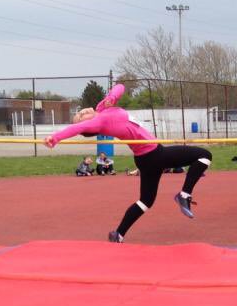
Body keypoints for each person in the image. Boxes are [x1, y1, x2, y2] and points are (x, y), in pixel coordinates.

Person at [45, 83, 212, 243]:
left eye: (80, 111)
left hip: (145, 158)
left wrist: (112, 97)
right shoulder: (98, 122)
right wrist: (56, 137)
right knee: (204, 155)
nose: (82, 111)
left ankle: (118, 234)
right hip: (154, 154)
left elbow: (120, 87)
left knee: (146, 202)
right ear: (89, 126)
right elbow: (75, 129)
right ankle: (184, 195)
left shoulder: (102, 108)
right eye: (81, 116)